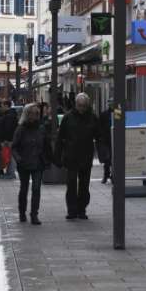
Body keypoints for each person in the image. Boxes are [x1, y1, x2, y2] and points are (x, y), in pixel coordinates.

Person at [54, 92, 99, 220]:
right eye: (79, 105)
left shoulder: (92, 118)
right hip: (71, 156)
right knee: (71, 184)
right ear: (76, 104)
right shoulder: (68, 118)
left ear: (87, 105)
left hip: (86, 156)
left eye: (84, 106)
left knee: (84, 185)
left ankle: (82, 209)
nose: (81, 108)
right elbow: (60, 138)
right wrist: (57, 156)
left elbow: (98, 135)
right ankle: (72, 210)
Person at [12, 103, 50, 224]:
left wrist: (48, 159)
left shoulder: (41, 128)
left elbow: (46, 145)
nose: (35, 116)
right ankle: (22, 212)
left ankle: (34, 214)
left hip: (38, 163)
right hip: (24, 163)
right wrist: (19, 159)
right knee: (24, 189)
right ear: (27, 114)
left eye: (37, 114)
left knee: (36, 188)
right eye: (33, 113)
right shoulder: (21, 129)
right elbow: (14, 147)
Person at [0, 100, 18, 179]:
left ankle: (11, 173)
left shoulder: (9, 115)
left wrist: (6, 139)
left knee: (11, 156)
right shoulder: (10, 114)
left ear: (6, 106)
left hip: (10, 139)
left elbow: (8, 128)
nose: (1, 108)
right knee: (9, 156)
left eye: (2, 106)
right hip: (10, 138)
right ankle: (9, 173)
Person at [98, 101, 113, 184]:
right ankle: (106, 174)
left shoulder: (118, 113)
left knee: (113, 159)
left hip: (114, 140)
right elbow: (100, 126)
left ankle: (112, 175)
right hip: (106, 140)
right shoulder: (104, 114)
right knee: (107, 158)